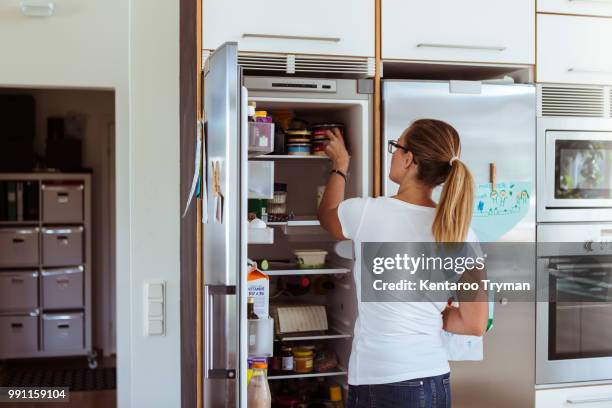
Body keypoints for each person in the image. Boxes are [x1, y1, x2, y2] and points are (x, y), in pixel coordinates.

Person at [318, 119, 488, 408]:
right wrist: (432, 315)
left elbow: (328, 215)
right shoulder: (461, 232)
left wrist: (340, 164)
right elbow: (475, 324)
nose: (393, 154)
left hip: (384, 380)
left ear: (409, 159)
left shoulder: (368, 213)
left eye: (395, 147)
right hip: (436, 379)